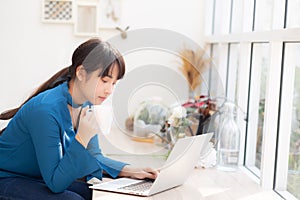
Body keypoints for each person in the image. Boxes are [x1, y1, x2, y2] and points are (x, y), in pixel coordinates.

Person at [0, 38, 158, 200]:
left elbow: (93, 157)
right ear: (81, 73)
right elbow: (56, 183)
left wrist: (131, 170)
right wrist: (82, 137)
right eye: (104, 81)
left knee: (96, 193)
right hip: (8, 179)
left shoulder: (86, 104)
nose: (109, 90)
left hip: (39, 177)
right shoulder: (46, 110)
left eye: (114, 83)